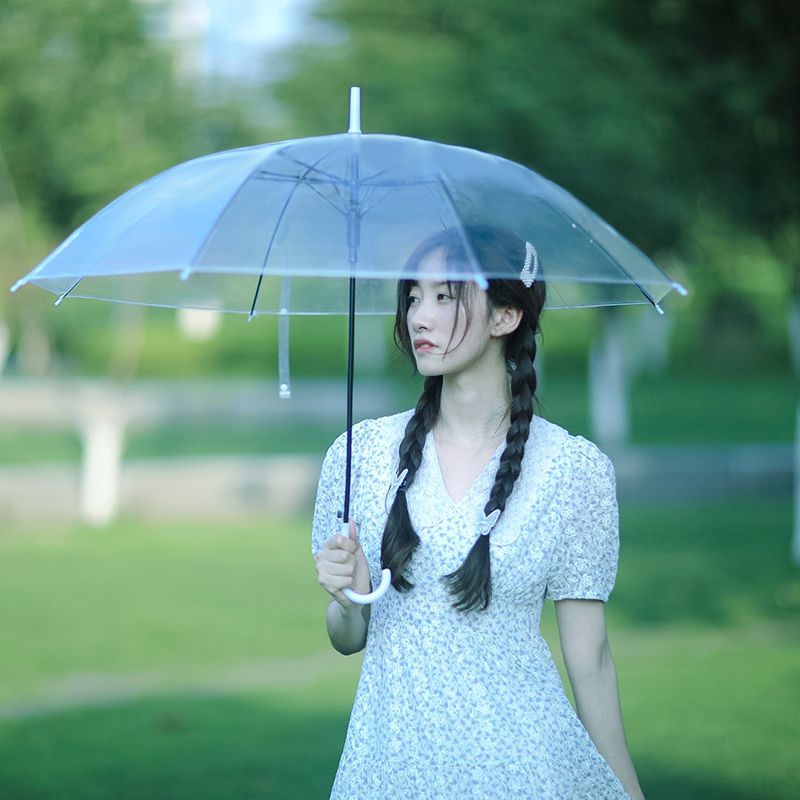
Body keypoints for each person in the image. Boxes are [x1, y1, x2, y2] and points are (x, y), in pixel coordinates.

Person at [311, 223, 645, 799]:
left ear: (505, 317)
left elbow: (589, 657)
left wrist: (627, 793)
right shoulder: (360, 455)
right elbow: (348, 638)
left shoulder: (573, 470)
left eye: (446, 296)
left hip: (526, 770)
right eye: (414, 296)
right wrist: (346, 597)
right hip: (390, 769)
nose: (420, 316)